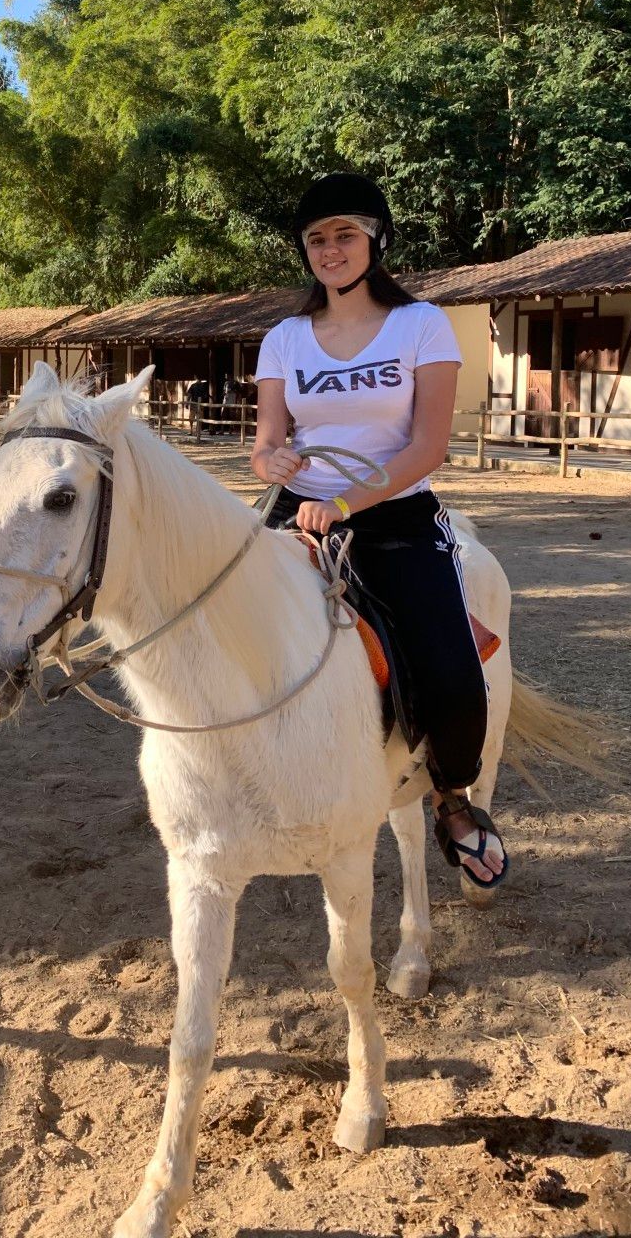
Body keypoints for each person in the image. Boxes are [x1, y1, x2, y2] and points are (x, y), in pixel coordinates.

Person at [251, 173, 507, 890]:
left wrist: (347, 503)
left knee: (452, 670)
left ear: (376, 241)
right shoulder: (284, 338)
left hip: (394, 516)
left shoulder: (420, 325)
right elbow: (266, 442)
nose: (329, 250)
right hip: (297, 512)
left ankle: (452, 797)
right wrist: (273, 460)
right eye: (316, 239)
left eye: (345, 234)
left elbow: (428, 447)